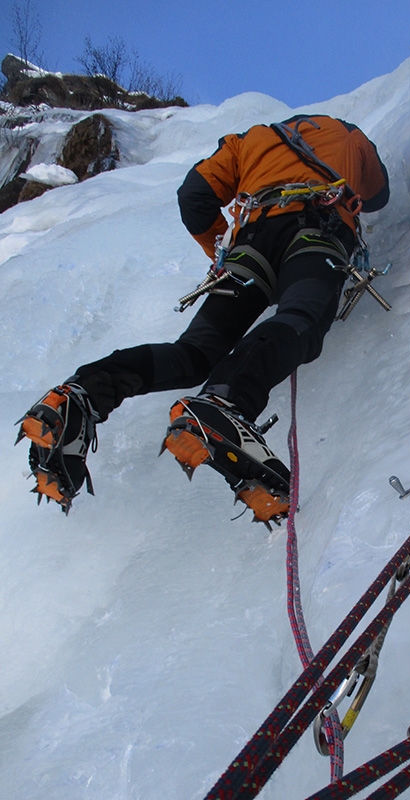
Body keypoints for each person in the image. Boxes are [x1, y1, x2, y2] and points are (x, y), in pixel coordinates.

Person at [16, 114, 390, 524]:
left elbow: (195, 196)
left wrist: (222, 253)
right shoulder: (349, 135)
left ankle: (80, 396)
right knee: (302, 316)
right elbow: (378, 195)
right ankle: (225, 401)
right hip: (318, 232)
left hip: (251, 243)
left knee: (194, 352)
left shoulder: (250, 138)